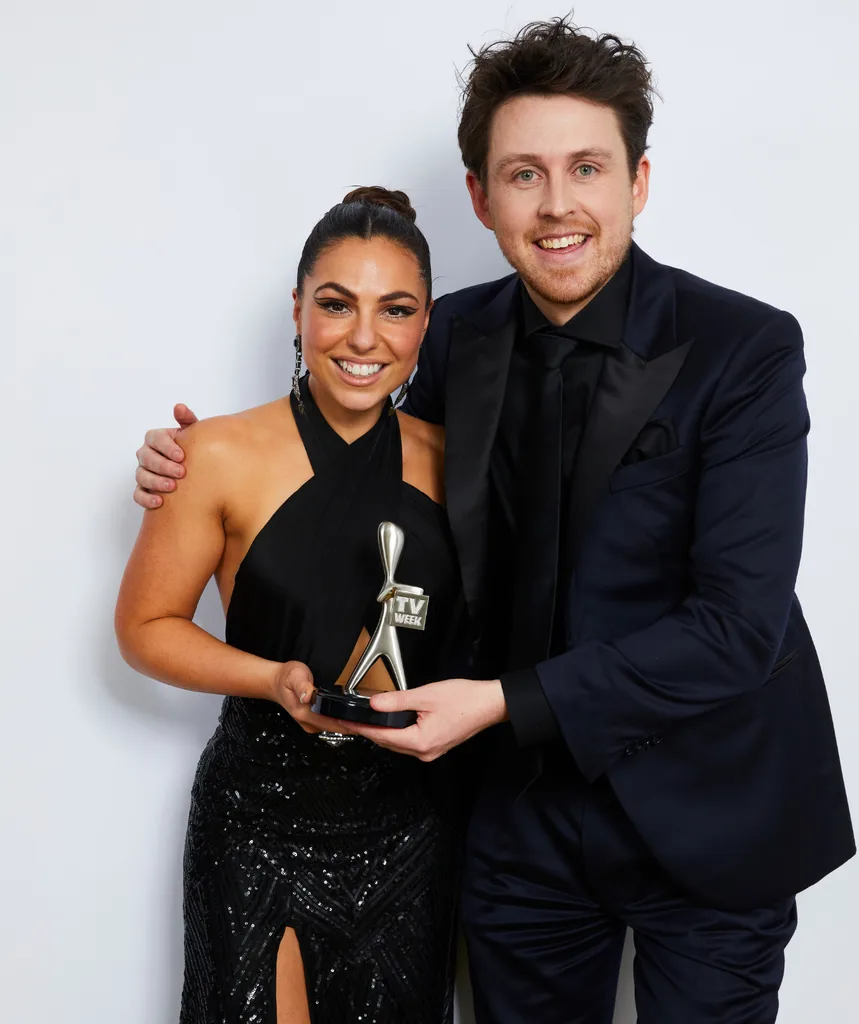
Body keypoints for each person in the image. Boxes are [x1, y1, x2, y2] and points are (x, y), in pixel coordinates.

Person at [131, 18, 855, 1024]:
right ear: (480, 195)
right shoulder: (446, 333)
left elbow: (735, 627)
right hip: (512, 832)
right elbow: (353, 463)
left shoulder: (746, 349)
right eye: (523, 174)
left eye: (587, 168)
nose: (557, 204)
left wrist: (504, 701)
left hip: (710, 810)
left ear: (637, 182)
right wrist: (189, 462)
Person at [116, 186, 469, 1024]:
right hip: (259, 822)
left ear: (425, 324)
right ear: (298, 307)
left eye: (396, 309)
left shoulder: (458, 464)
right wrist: (271, 678)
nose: (361, 337)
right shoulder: (213, 453)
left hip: (408, 825)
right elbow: (145, 628)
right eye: (335, 304)